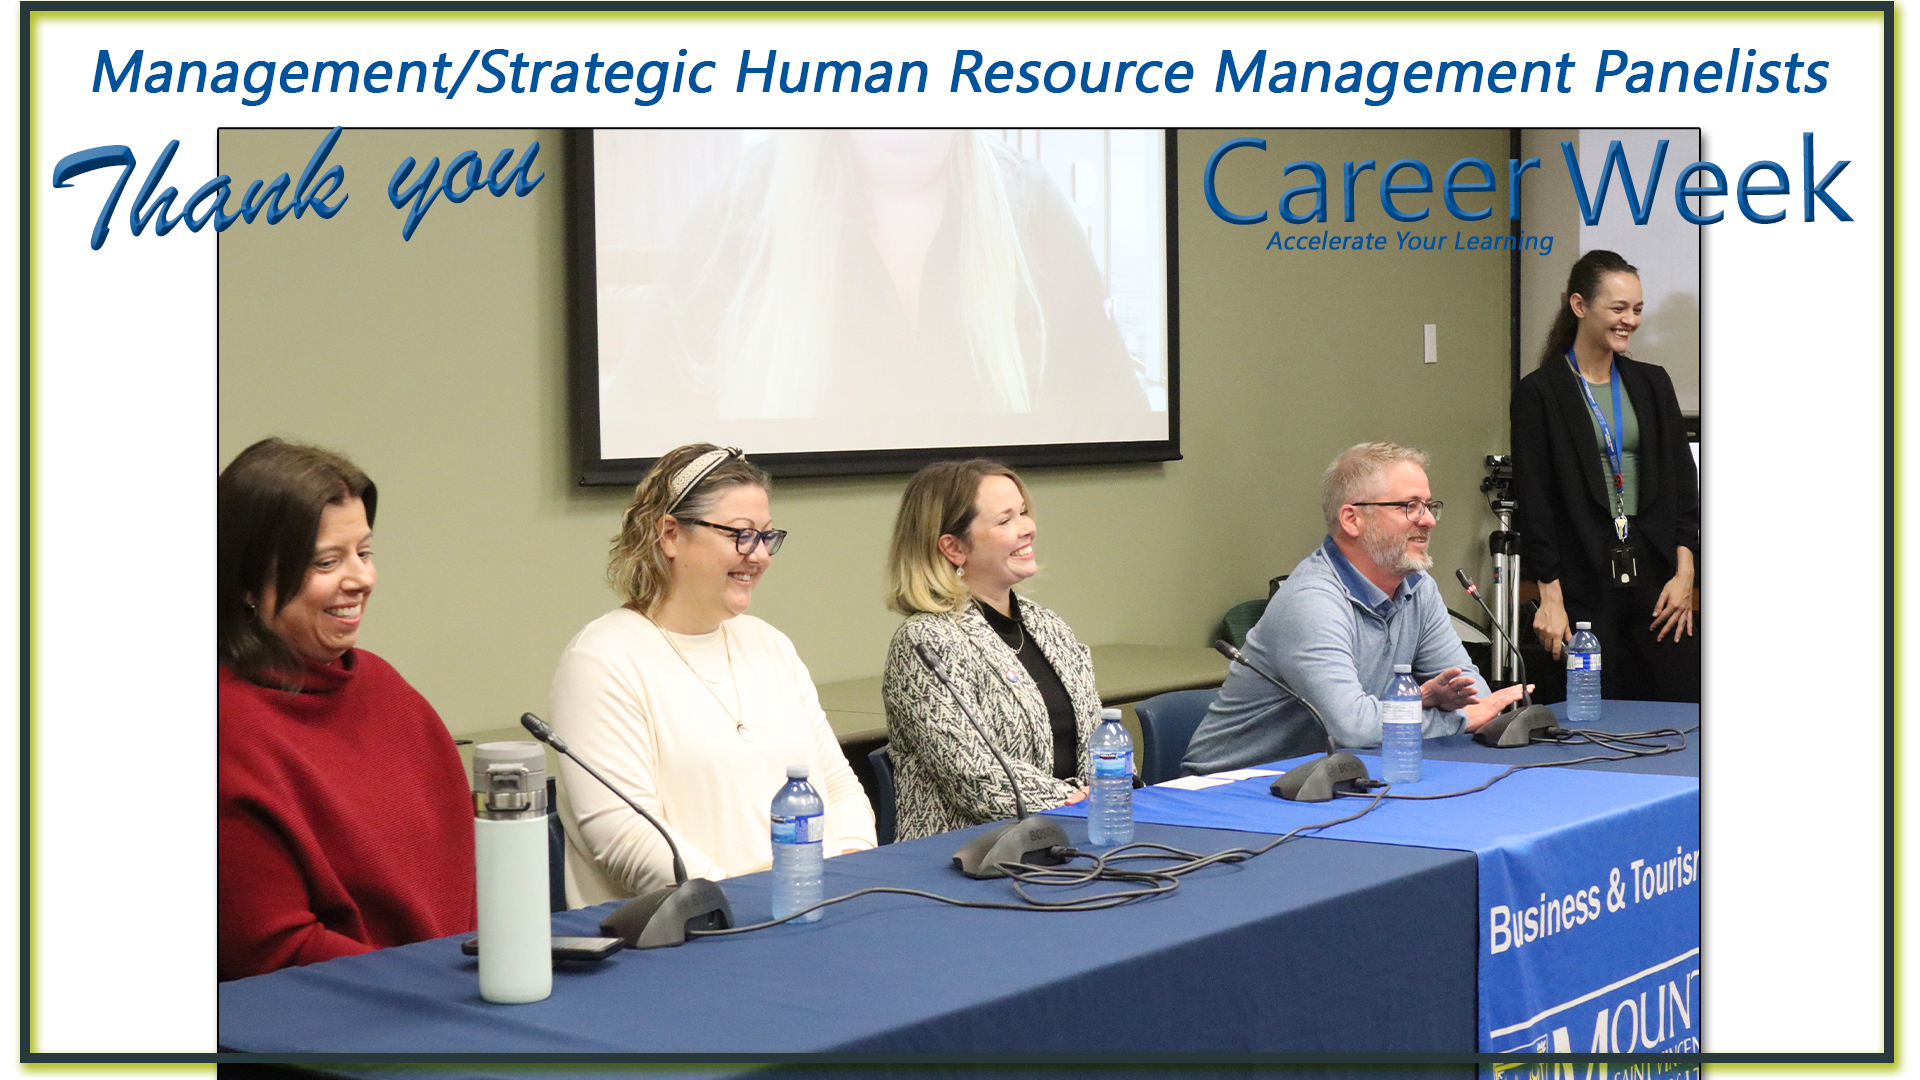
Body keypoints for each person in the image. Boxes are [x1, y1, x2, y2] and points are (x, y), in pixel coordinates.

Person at [549, 444, 875, 905]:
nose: (758, 555)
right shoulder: (603, 659)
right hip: (689, 938)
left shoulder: (770, 645)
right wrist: (744, 901)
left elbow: (838, 785)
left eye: (766, 537)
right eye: (740, 535)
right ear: (670, 535)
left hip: (807, 915)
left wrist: (850, 871)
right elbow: (622, 833)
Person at [218, 438, 474, 980]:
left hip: (453, 996)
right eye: (327, 562)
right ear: (245, 582)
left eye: (365, 552)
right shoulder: (225, 727)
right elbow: (273, 955)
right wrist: (441, 985)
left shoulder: (385, 689)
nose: (360, 578)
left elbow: (467, 887)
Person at [1183, 442, 1528, 775]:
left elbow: (1473, 693)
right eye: (1409, 506)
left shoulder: (1417, 588)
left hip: (1331, 778)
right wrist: (1450, 716)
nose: (1428, 521)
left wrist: (1430, 703)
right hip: (1234, 787)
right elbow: (1354, 729)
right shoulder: (1311, 601)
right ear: (1352, 519)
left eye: (1428, 506)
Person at [1512, 250, 1700, 702]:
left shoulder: (1652, 383)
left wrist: (1686, 572)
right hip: (1581, 576)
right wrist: (1549, 596)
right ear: (1580, 306)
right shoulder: (1540, 392)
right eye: (1618, 309)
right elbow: (1534, 501)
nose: (1629, 320)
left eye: (1636, 309)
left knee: (1677, 701)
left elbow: (1682, 486)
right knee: (1591, 704)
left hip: (1656, 575)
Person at [881, 460, 1100, 841]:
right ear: (954, 547)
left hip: (1072, 838)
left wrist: (1113, 794)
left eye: (1024, 513)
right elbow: (975, 776)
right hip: (966, 858)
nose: (1028, 527)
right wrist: (1080, 803)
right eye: (1005, 521)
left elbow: (1097, 740)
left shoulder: (1050, 627)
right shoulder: (925, 643)